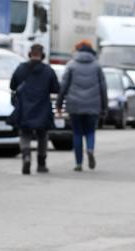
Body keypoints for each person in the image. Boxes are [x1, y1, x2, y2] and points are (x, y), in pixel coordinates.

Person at [56, 40, 108, 172]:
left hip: (75, 105)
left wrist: (59, 104)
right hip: (93, 105)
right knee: (90, 131)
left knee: (77, 133)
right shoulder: (97, 66)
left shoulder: (71, 65)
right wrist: (104, 107)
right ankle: (90, 150)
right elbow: (103, 88)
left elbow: (63, 86)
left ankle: (78, 163)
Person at [10, 44, 60, 175]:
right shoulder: (48, 70)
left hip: (24, 107)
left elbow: (12, 85)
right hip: (42, 108)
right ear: (42, 55)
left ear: (29, 54)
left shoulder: (21, 68)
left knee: (25, 134)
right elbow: (56, 88)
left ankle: (26, 156)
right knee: (42, 136)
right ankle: (41, 164)